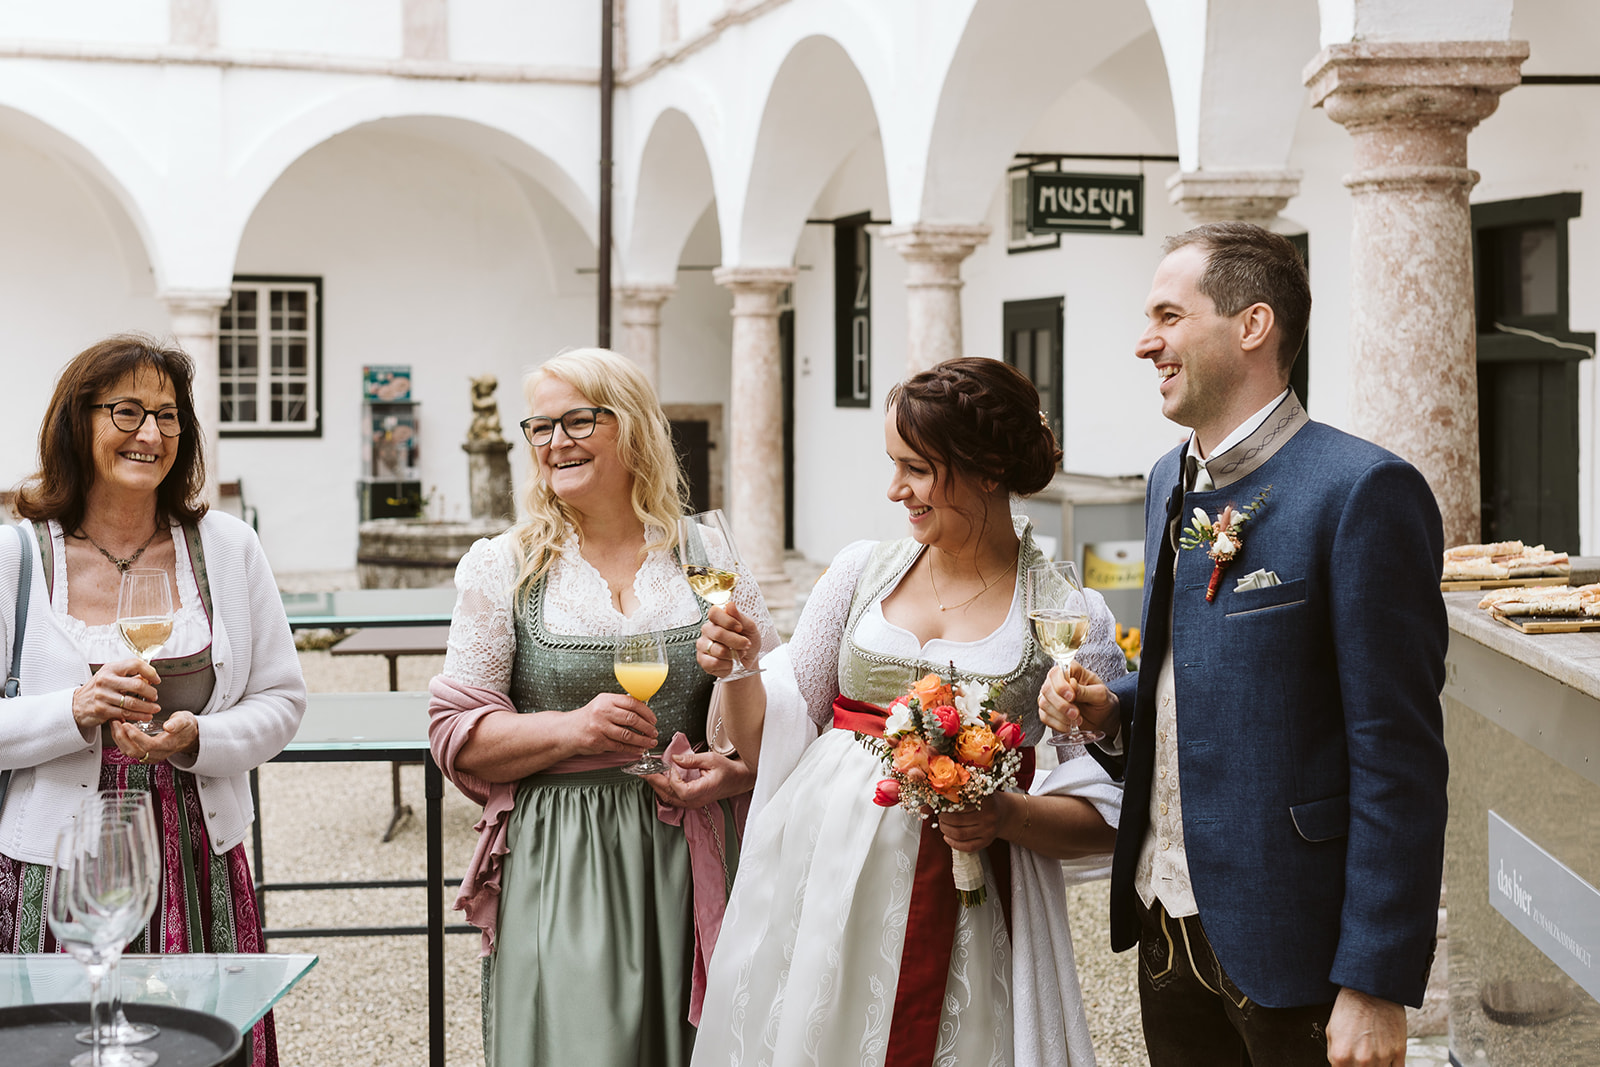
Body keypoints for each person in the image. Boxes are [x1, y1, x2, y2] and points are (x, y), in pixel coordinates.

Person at [1043, 222, 1447, 1067]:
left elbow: (1398, 753)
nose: (1144, 341)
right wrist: (1108, 709)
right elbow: (1181, 670)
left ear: (1252, 325)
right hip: (1165, 925)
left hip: (1293, 941)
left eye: (1168, 315)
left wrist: (1374, 979)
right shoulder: (1166, 479)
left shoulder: (1361, 491)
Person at [691, 357, 1126, 1067]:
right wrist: (738, 668)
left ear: (987, 469)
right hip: (823, 884)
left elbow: (1109, 813)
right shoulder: (859, 571)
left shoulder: (1066, 611)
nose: (895, 489)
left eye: (916, 468)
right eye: (894, 465)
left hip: (969, 906)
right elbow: (766, 740)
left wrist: (1003, 815)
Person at [427, 347, 779, 1067]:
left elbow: (770, 741)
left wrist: (741, 672)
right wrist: (572, 728)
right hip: (567, 856)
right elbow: (455, 734)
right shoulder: (506, 566)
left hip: (696, 847)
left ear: (635, 427)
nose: (556, 440)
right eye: (541, 426)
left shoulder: (708, 554)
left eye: (579, 419)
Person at [0, 334, 307, 1066]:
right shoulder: (15, 556)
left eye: (168, 417)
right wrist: (74, 709)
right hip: (58, 870)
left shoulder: (228, 548)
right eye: (128, 411)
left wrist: (197, 736)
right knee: (62, 1048)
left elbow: (282, 699)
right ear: (80, 421)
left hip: (196, 856)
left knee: (197, 1049)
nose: (151, 434)